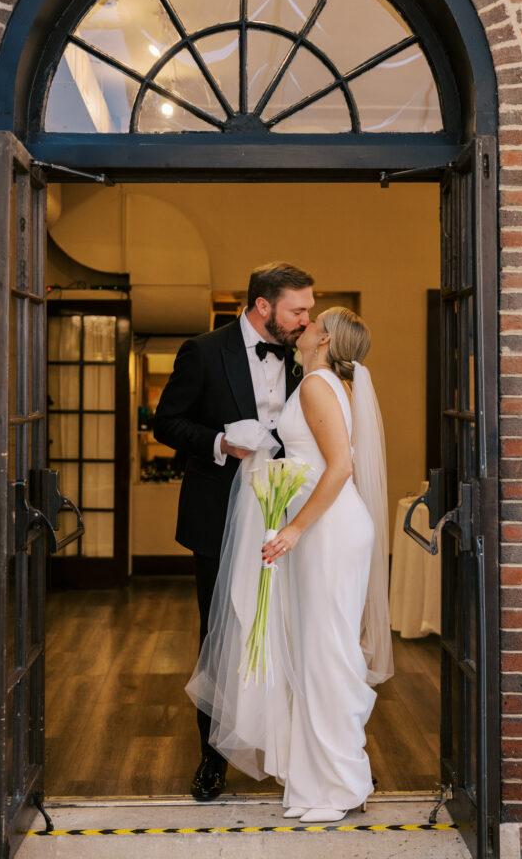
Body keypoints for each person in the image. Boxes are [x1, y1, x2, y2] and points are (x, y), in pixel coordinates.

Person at [187, 307, 393, 822]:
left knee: (327, 653)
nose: (304, 324)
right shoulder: (319, 383)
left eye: (313, 320)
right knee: (316, 651)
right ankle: (320, 781)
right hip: (321, 529)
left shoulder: (319, 386)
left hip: (327, 531)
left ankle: (341, 786)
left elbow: (340, 467)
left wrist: (294, 528)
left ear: (325, 339)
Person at [153, 262, 315, 801]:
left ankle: (297, 752)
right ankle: (213, 759)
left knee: (290, 629)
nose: (306, 320)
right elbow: (167, 422)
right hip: (219, 515)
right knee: (221, 634)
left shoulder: (302, 355)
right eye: (298, 310)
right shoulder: (203, 351)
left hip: (286, 516)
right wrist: (220, 444)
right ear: (263, 306)